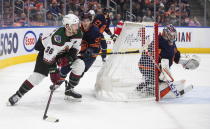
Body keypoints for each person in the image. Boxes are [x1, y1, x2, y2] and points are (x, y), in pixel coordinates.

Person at [8, 14, 85, 106]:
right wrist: (54, 72)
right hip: (45, 52)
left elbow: (75, 48)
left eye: (77, 24)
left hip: (61, 52)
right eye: (75, 24)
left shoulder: (78, 33)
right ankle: (18, 94)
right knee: (38, 76)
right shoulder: (57, 38)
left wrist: (69, 58)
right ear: (68, 26)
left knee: (80, 64)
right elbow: (48, 58)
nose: (78, 26)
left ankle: (69, 90)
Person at [137, 24, 200, 98]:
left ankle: (143, 86)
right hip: (147, 66)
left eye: (174, 35)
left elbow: (175, 55)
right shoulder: (158, 41)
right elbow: (161, 56)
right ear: (166, 34)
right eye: (171, 35)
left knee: (159, 79)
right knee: (157, 80)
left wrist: (185, 62)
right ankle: (148, 89)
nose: (173, 37)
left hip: (157, 67)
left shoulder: (171, 43)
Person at [60, 12, 102, 99]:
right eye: (83, 20)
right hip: (79, 51)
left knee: (80, 71)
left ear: (91, 21)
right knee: (67, 65)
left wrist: (90, 50)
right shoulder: (78, 28)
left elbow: (96, 46)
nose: (85, 22)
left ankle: (69, 89)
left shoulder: (95, 31)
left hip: (90, 56)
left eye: (87, 21)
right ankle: (58, 81)